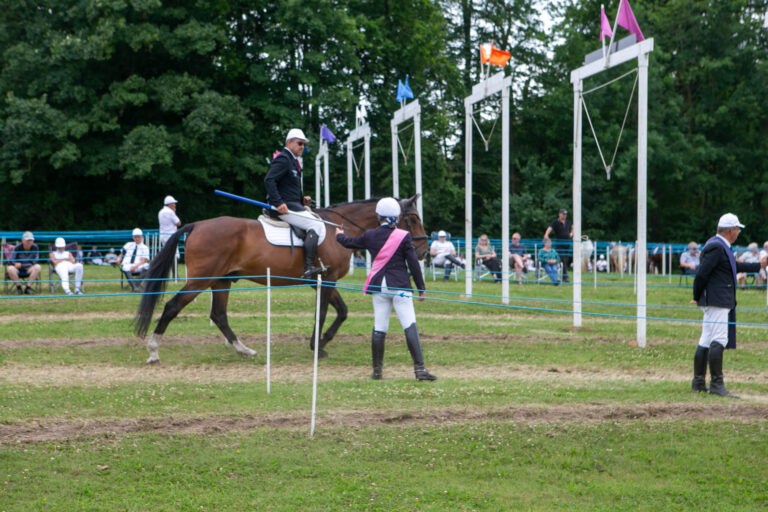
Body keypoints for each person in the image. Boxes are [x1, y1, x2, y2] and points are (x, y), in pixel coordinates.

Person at [335, 197, 436, 381]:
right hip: (399, 286)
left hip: (378, 287)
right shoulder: (404, 236)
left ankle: (377, 371)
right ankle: (419, 369)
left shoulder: (369, 235)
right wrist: (421, 288)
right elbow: (413, 264)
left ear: (378, 216)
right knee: (409, 325)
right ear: (396, 217)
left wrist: (338, 234)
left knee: (380, 327)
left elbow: (349, 242)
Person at [691, 213, 767, 398]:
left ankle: (699, 381)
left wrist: (759, 265)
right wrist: (696, 294)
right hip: (717, 300)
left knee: (706, 340)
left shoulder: (720, 246)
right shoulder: (717, 247)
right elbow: (702, 274)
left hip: (715, 299)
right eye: (738, 230)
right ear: (731, 230)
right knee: (719, 339)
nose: (738, 233)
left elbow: (734, 267)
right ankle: (717, 384)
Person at [264, 128, 324, 278]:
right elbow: (269, 180)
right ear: (289, 142)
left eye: (304, 144)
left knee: (316, 221)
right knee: (315, 225)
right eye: (299, 143)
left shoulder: (293, 160)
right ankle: (308, 267)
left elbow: (288, 187)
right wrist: (278, 203)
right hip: (282, 208)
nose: (302, 147)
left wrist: (302, 200)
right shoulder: (284, 159)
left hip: (293, 205)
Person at [543, 208, 573, 282]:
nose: (564, 215)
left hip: (567, 244)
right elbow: (550, 228)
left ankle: (564, 276)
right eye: (563, 214)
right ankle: (565, 277)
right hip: (559, 244)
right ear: (559, 214)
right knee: (562, 259)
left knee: (566, 259)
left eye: (565, 214)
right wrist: (546, 234)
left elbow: (573, 227)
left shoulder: (568, 222)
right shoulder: (555, 222)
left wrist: (571, 233)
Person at [116, 228, 150, 292]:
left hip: (139, 265)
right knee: (125, 267)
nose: (137, 238)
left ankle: (135, 286)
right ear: (133, 237)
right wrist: (118, 259)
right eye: (135, 237)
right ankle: (135, 287)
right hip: (127, 265)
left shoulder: (145, 247)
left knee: (147, 266)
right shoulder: (128, 244)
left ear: (142, 237)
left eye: (138, 237)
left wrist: (135, 267)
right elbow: (122, 253)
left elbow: (143, 260)